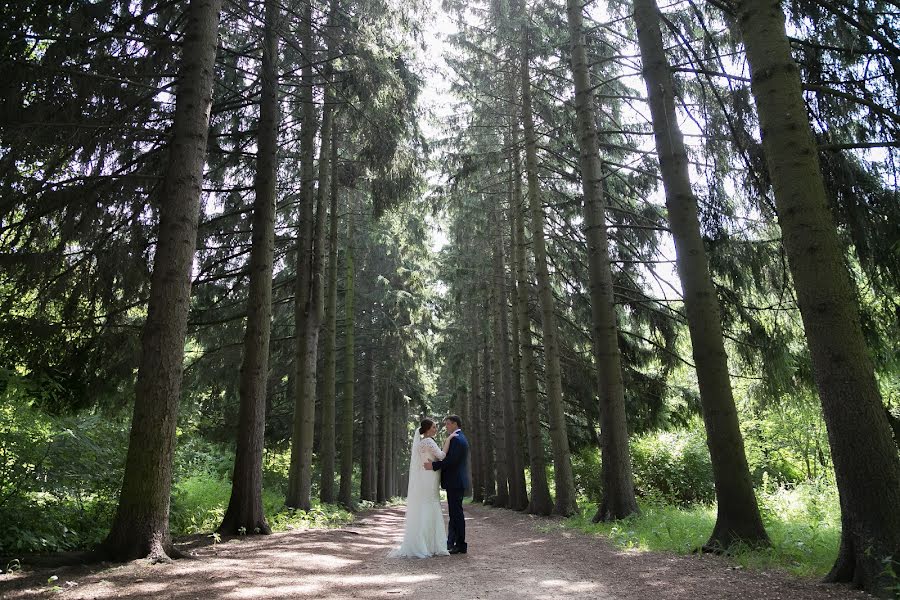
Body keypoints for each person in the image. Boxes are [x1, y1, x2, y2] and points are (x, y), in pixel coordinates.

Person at [388, 418, 456, 558]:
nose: (435, 429)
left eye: (436, 427)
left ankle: (424, 542)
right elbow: (442, 455)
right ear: (426, 429)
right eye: (433, 427)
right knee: (431, 504)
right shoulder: (429, 442)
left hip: (425, 476)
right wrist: (448, 439)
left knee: (426, 504)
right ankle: (431, 544)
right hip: (430, 477)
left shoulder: (420, 443)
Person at [425, 415, 469, 555]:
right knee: (454, 514)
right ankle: (451, 543)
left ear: (455, 424)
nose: (446, 427)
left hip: (455, 482)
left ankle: (461, 544)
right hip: (455, 481)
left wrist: (434, 465)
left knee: (456, 515)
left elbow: (451, 461)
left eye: (448, 424)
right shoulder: (458, 437)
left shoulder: (457, 439)